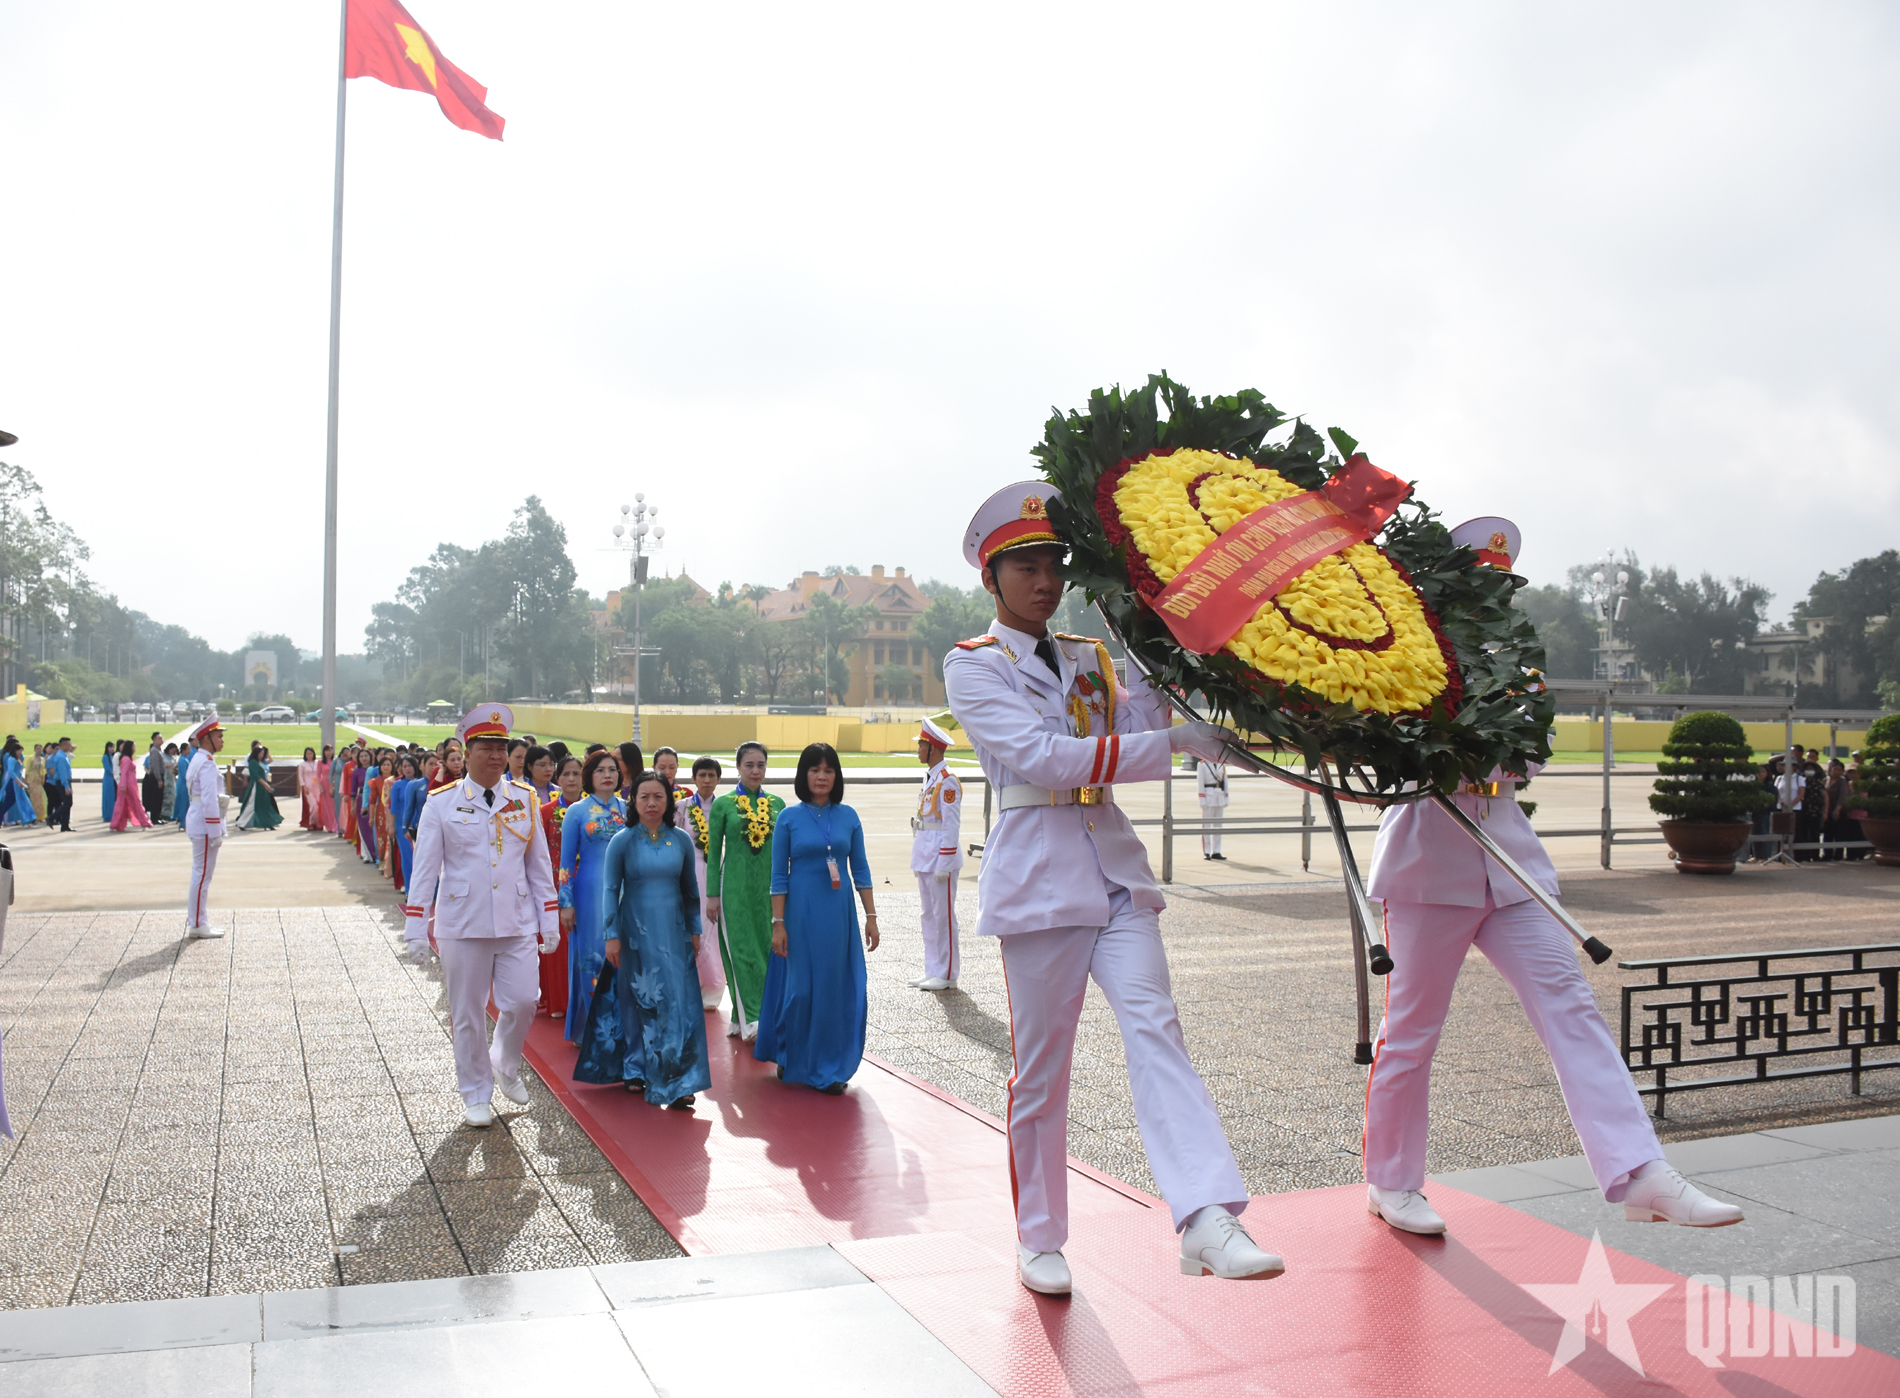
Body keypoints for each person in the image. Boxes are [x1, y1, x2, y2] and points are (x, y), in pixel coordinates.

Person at [1362, 516, 1743, 1240]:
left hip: (1510, 869)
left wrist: (1479, 751)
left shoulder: (1519, 665)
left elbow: (1528, 756)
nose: (1492, 598)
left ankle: (1639, 1172)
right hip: (1426, 869)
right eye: (1479, 585)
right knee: (1411, 1033)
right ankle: (1392, 1179)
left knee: (1572, 1005)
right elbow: (1394, 756)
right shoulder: (1406, 658)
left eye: (1501, 587)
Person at [942, 480, 1279, 1295]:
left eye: (1054, 562)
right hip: (1041, 883)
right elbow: (1044, 760)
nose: (1045, 580)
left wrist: (1156, 662)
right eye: (1024, 565)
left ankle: (1205, 1216)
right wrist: (1172, 741)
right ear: (991, 579)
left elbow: (1131, 731)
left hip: (1115, 872)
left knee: (1157, 1032)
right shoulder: (972, 665)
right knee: (1043, 1070)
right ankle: (1040, 1236)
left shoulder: (1092, 657)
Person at [402, 703, 561, 1128]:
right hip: (463, 922)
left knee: (525, 1001)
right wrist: (417, 928)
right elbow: (425, 870)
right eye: (486, 747)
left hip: (516, 919)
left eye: (502, 747)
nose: (495, 755)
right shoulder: (441, 803)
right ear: (466, 752)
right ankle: (475, 1091)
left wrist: (549, 919)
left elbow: (539, 866)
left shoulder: (523, 799)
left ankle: (505, 1062)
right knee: (467, 1013)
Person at [575, 769, 711, 1109]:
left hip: (674, 931)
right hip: (633, 932)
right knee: (636, 1000)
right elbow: (610, 889)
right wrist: (612, 936)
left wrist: (695, 930)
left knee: (676, 1002)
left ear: (668, 801)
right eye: (644, 797)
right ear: (633, 801)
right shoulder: (623, 840)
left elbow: (690, 891)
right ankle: (635, 1068)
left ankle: (678, 1078)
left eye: (658, 796)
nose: (651, 803)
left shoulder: (680, 839)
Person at [756, 743, 877, 1093]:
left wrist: (870, 915)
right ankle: (788, 1052)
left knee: (833, 988)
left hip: (838, 915)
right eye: (814, 770)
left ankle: (829, 1067)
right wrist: (778, 924)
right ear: (803, 775)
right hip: (799, 913)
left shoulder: (849, 816)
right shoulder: (789, 818)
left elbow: (862, 869)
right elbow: (778, 875)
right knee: (800, 990)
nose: (822, 776)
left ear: (836, 776)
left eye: (828, 770)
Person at [704, 742, 782, 1041]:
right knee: (741, 952)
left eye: (761, 764)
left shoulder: (777, 804)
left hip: (767, 890)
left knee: (765, 949)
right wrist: (712, 894)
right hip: (733, 888)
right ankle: (754, 1018)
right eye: (749, 764)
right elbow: (713, 855)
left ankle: (740, 1017)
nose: (755, 770)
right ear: (738, 767)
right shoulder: (723, 805)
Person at [558, 750, 627, 1043]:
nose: (608, 775)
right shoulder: (577, 810)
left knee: (622, 955)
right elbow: (565, 864)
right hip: (588, 891)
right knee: (592, 955)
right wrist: (566, 903)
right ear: (590, 776)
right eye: (600, 770)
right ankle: (594, 1028)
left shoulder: (628, 808)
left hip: (625, 891)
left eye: (612, 769)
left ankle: (622, 1026)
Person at [908, 717, 963, 991]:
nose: (918, 750)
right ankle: (933, 969)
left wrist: (946, 860)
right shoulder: (930, 779)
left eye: (921, 745)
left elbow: (951, 825)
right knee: (928, 915)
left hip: (940, 858)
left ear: (933, 748)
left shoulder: (948, 781)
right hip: (925, 854)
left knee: (944, 917)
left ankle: (948, 973)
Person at [674, 756, 727, 1009]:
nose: (707, 780)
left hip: (718, 875)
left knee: (714, 930)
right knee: (690, 927)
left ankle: (713, 987)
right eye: (702, 775)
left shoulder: (726, 807)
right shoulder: (681, 807)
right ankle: (687, 985)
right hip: (688, 873)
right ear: (693, 778)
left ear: (718, 779)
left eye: (712, 776)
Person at [537, 754, 584, 1021]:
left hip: (588, 882)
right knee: (560, 944)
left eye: (576, 773)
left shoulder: (595, 811)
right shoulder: (545, 813)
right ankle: (558, 999)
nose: (570, 779)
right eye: (565, 774)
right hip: (556, 885)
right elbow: (539, 855)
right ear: (558, 778)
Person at [184, 717, 228, 938]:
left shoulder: (198, 759)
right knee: (202, 876)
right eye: (219, 736)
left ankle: (198, 920)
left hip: (197, 820)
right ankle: (198, 923)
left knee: (200, 874)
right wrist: (216, 832)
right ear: (207, 739)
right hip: (204, 824)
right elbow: (210, 800)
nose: (222, 740)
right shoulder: (207, 763)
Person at [389, 754, 422, 892]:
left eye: (410, 765)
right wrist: (391, 826)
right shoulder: (397, 785)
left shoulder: (422, 783)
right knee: (407, 857)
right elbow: (394, 807)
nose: (408, 769)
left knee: (420, 858)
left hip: (419, 824)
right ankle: (409, 889)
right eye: (404, 766)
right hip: (402, 826)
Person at [236, 742, 284, 831]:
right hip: (256, 787)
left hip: (262, 787)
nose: (262, 755)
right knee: (252, 805)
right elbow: (255, 776)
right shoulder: (253, 762)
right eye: (261, 753)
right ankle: (241, 822)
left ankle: (268, 823)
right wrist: (265, 784)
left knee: (265, 805)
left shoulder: (260, 762)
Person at [111, 740, 152, 830]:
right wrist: (123, 785)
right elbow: (124, 773)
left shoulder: (128, 758)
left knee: (123, 804)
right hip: (128, 784)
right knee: (135, 802)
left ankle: (118, 823)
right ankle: (144, 822)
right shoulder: (126, 759)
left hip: (130, 783)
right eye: (133, 747)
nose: (135, 749)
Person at [1197, 757, 1229, 860]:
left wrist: (1226, 797)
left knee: (1218, 826)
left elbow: (1225, 781)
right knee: (1207, 825)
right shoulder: (1202, 764)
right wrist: (1202, 800)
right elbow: (1200, 783)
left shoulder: (1221, 764)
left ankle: (1216, 851)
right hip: (1208, 796)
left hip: (1219, 796)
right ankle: (1206, 851)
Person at [44, 736, 73, 832]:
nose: (70, 747)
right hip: (62, 782)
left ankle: (65, 825)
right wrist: (66, 786)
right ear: (63, 745)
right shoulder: (60, 757)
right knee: (67, 803)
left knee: (67, 803)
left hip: (63, 781)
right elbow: (62, 773)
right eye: (68, 745)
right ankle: (51, 818)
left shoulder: (63, 755)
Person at [0, 741, 32, 826]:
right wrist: (19, 781)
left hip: (17, 781)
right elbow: (11, 772)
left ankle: (27, 818)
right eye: (19, 751)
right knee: (9, 801)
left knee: (20, 800)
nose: (21, 753)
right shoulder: (12, 759)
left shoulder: (17, 759)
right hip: (13, 782)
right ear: (15, 750)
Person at [143, 731, 166, 824]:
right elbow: (155, 767)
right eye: (159, 738)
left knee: (159, 798)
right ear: (154, 740)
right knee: (156, 798)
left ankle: (158, 816)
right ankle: (155, 818)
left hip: (158, 776)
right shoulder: (155, 751)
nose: (161, 739)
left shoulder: (158, 750)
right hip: (155, 777)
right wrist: (159, 779)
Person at [299, 747, 322, 829]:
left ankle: (317, 823)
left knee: (319, 805)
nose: (309, 755)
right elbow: (300, 777)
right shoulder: (302, 765)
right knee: (313, 806)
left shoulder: (317, 763)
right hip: (308, 787)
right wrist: (304, 786)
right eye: (307, 754)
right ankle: (311, 822)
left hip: (317, 787)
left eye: (311, 753)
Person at [316, 743, 337, 832]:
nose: (328, 753)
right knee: (326, 807)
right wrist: (319, 786)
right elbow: (317, 775)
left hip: (334, 784)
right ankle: (329, 826)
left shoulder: (335, 761)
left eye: (330, 751)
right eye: (326, 751)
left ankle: (334, 825)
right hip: (324, 784)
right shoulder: (320, 762)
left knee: (334, 806)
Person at [24, 744, 46, 825]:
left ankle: (40, 815)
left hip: (38, 778)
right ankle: (33, 816)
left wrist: (43, 778)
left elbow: (43, 769)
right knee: (33, 797)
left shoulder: (42, 759)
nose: (39, 750)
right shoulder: (31, 758)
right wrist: (26, 779)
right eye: (37, 748)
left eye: (40, 749)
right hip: (32, 778)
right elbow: (27, 769)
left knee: (39, 797)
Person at [100, 739, 118, 824]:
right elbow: (108, 768)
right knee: (108, 797)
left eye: (113, 747)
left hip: (113, 777)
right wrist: (114, 773)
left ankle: (113, 814)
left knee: (113, 797)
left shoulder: (113, 755)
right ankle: (107, 815)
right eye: (111, 747)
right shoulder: (105, 757)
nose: (112, 749)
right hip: (108, 778)